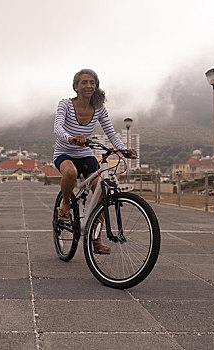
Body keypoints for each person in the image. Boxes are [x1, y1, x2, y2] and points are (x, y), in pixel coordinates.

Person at [53, 69, 136, 254]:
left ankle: (96, 240)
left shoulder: (99, 108)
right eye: (84, 82)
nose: (89, 86)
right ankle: (65, 204)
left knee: (101, 192)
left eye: (92, 82)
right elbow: (57, 127)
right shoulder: (65, 104)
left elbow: (111, 133)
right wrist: (71, 138)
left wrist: (124, 149)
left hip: (85, 153)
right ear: (75, 86)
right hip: (65, 151)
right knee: (71, 173)